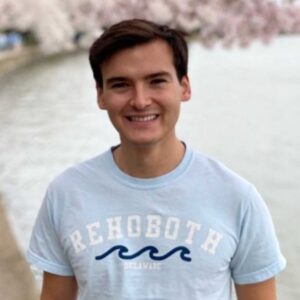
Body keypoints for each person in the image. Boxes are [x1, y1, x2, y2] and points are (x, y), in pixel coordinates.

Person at [27, 19, 286, 300]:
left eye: (157, 81)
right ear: (101, 95)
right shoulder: (66, 194)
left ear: (184, 87)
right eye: (121, 85)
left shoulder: (237, 198)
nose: (140, 101)